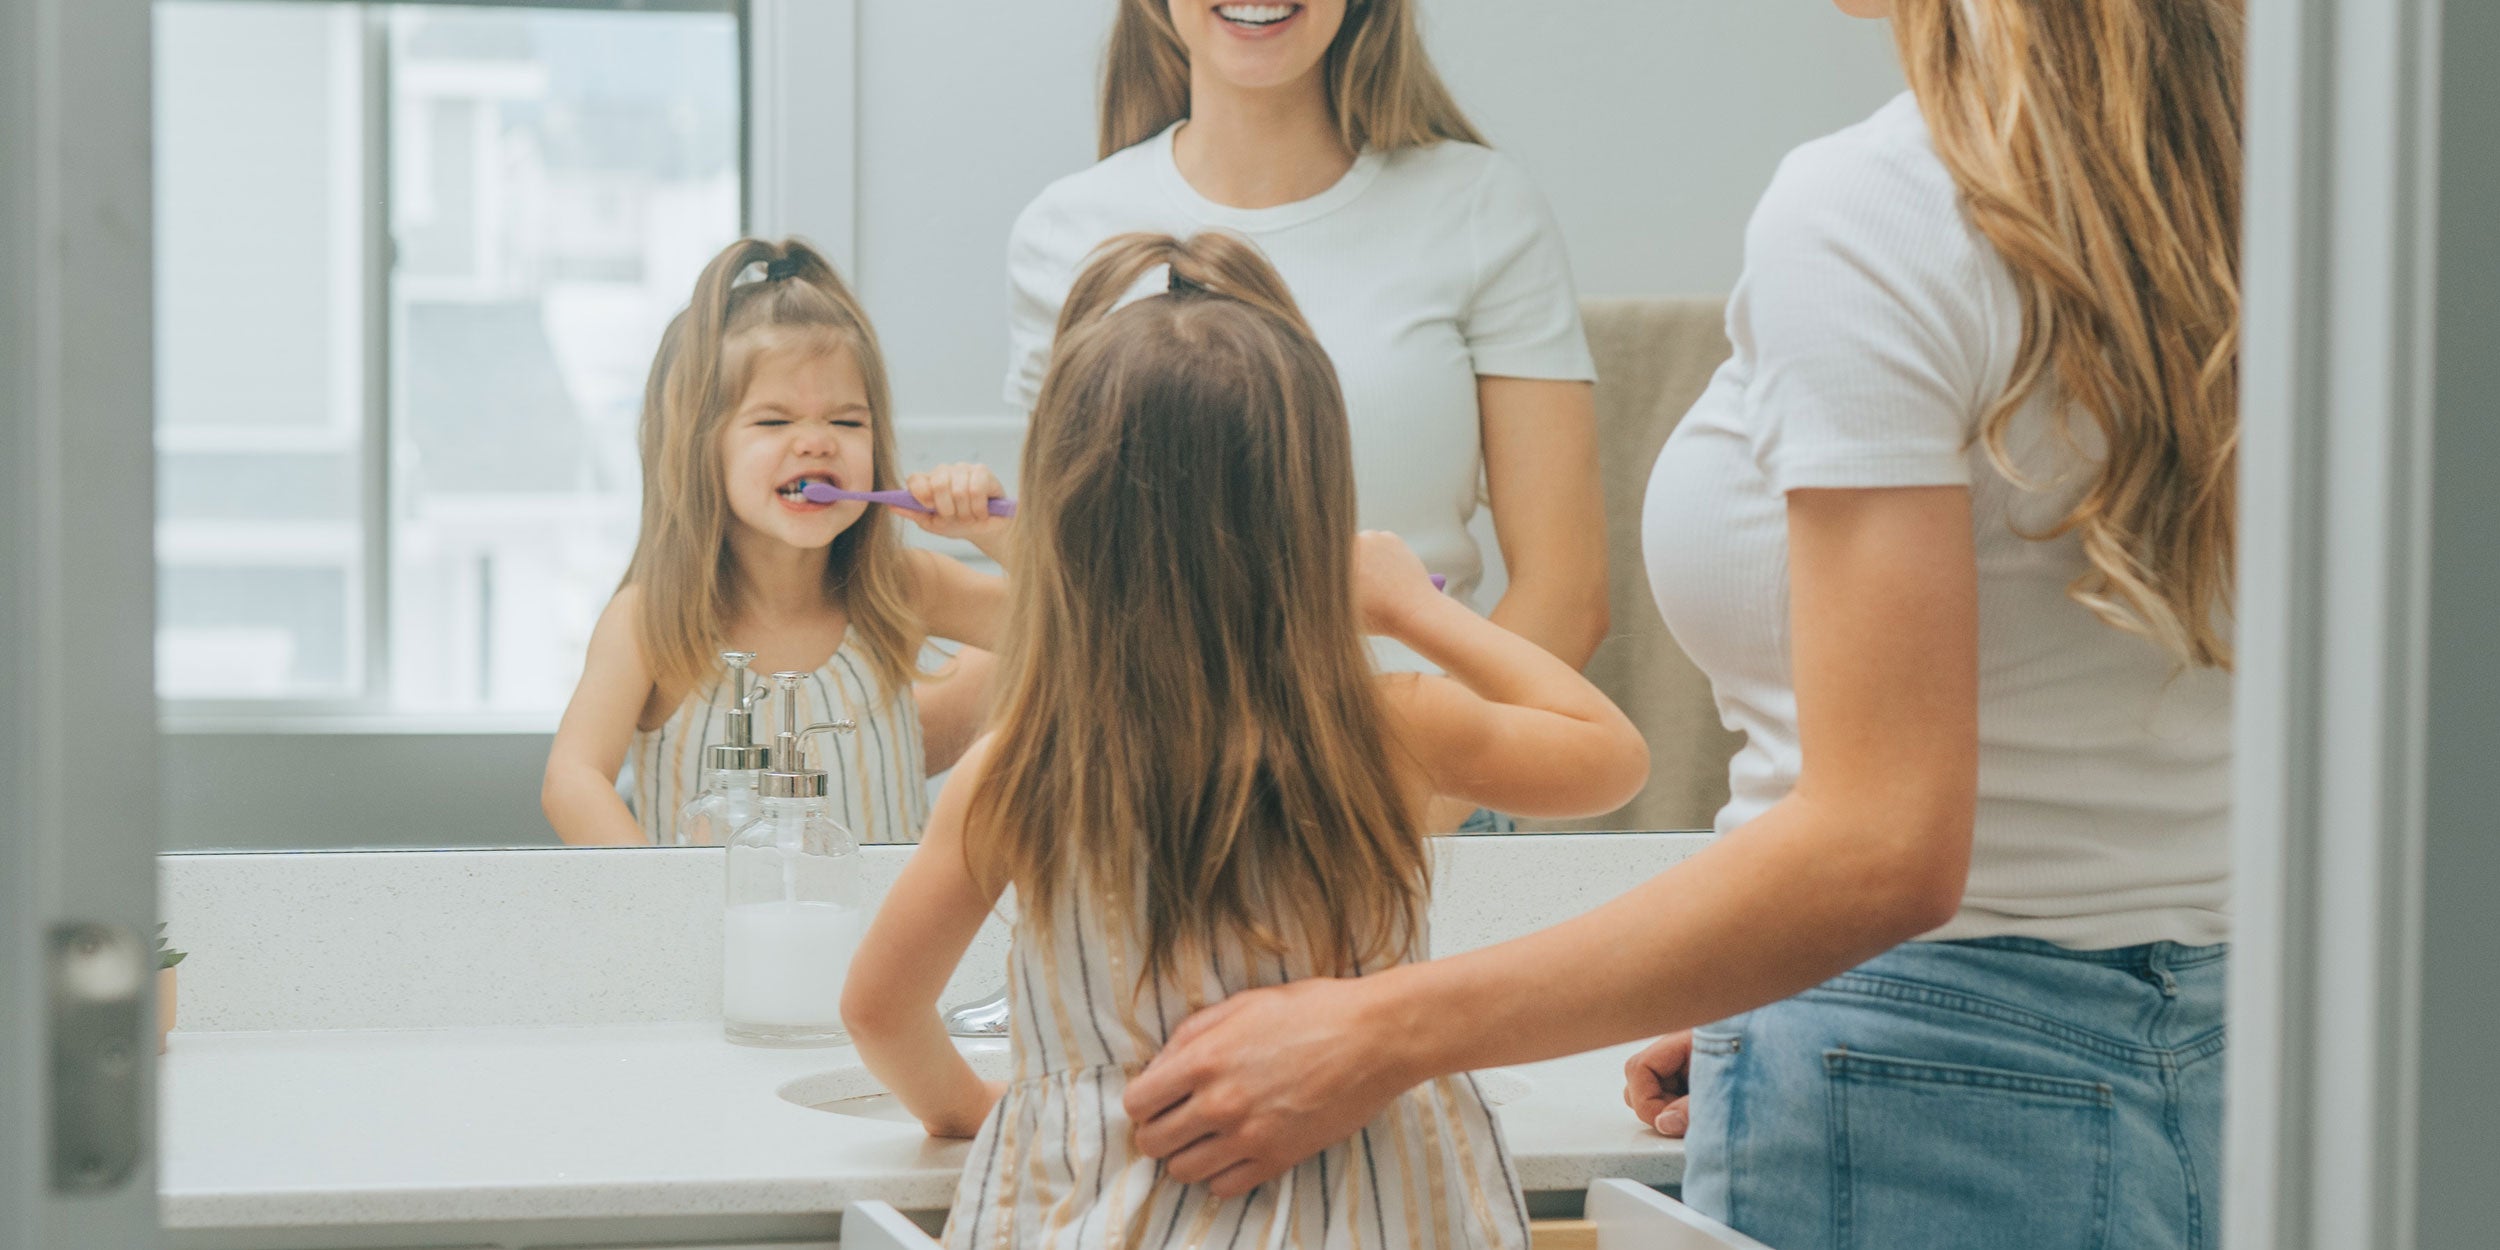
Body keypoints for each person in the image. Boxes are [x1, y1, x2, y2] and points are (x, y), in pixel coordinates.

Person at [1116, 2, 2245, 1246]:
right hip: (2235, 1048)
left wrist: (1374, 1029)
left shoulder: (1882, 210)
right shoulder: (2263, 184)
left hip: (1913, 1066)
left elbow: (1883, 849)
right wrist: (1745, 973)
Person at [839, 232, 1648, 1248]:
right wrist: (1415, 611)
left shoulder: (1023, 768)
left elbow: (877, 1008)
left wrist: (973, 1108)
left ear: (1068, 516)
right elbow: (1610, 752)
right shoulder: (1384, 729)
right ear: (1313, 508)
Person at [998, 0, 1609, 829]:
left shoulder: (1480, 208)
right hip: (1152, 810)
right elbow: (1059, 579)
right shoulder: (1065, 231)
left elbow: (1565, 594)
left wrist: (1395, 810)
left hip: (1418, 806)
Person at [543, 238, 1013, 847]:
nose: (817, 442)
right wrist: (659, 910)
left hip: (883, 943)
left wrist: (998, 534)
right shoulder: (648, 619)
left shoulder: (906, 586)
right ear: (698, 449)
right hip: (712, 942)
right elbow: (572, 779)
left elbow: (1084, 629)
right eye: (774, 421)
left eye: (847, 421)